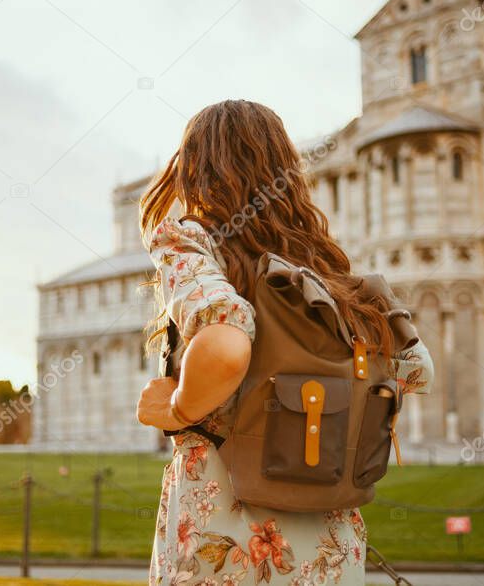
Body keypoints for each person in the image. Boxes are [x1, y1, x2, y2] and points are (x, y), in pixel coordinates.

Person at [136, 100, 434, 585]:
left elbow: (227, 341)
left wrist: (176, 407)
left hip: (225, 536)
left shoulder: (193, 242)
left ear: (194, 166)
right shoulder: (330, 274)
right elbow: (417, 370)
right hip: (329, 543)